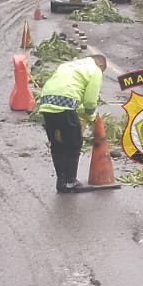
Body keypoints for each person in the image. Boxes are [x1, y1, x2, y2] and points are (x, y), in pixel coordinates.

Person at [34, 48, 108, 194]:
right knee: (74, 143)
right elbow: (89, 101)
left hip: (46, 102)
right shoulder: (95, 70)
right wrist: (91, 116)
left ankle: (61, 181)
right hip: (65, 104)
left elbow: (74, 95)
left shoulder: (68, 65)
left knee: (57, 143)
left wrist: (82, 111)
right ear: (100, 65)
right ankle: (70, 182)